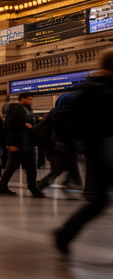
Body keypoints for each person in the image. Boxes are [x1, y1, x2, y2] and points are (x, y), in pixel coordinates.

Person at [55, 49, 113, 256]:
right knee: (99, 201)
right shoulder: (101, 91)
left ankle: (65, 233)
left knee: (99, 201)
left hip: (96, 150)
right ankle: (65, 233)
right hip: (105, 149)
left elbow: (75, 124)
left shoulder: (88, 89)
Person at [0, 92, 45, 197]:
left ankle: (33, 187)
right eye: (29, 99)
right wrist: (12, 143)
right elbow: (9, 127)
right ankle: (2, 187)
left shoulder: (28, 110)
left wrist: (30, 126)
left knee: (31, 167)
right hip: (18, 143)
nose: (31, 101)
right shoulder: (15, 109)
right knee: (12, 166)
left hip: (28, 142)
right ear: (22, 98)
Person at [36, 94, 82, 191]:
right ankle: (75, 183)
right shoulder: (66, 114)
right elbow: (67, 133)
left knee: (59, 169)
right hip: (62, 148)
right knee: (63, 168)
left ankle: (43, 185)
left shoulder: (52, 114)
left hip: (52, 147)